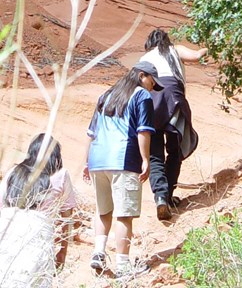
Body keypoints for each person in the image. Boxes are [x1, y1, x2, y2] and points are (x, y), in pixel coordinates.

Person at [83, 61, 163, 280]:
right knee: (124, 214)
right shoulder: (141, 96)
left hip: (98, 160)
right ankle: (123, 266)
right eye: (151, 82)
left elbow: (92, 132)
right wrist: (145, 159)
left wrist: (86, 162)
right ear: (141, 75)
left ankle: (98, 252)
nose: (151, 89)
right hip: (124, 160)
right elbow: (143, 130)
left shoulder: (106, 95)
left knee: (103, 210)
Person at [140, 29, 206, 221]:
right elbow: (196, 55)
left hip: (150, 101)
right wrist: (211, 46)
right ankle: (168, 195)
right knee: (175, 150)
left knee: (155, 154)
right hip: (174, 101)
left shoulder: (146, 57)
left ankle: (160, 196)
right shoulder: (174, 50)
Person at [0, 133, 77, 287]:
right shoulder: (60, 175)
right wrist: (63, 251)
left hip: (9, 228)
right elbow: (67, 215)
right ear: (56, 154)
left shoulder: (14, 172)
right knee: (36, 279)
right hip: (39, 234)